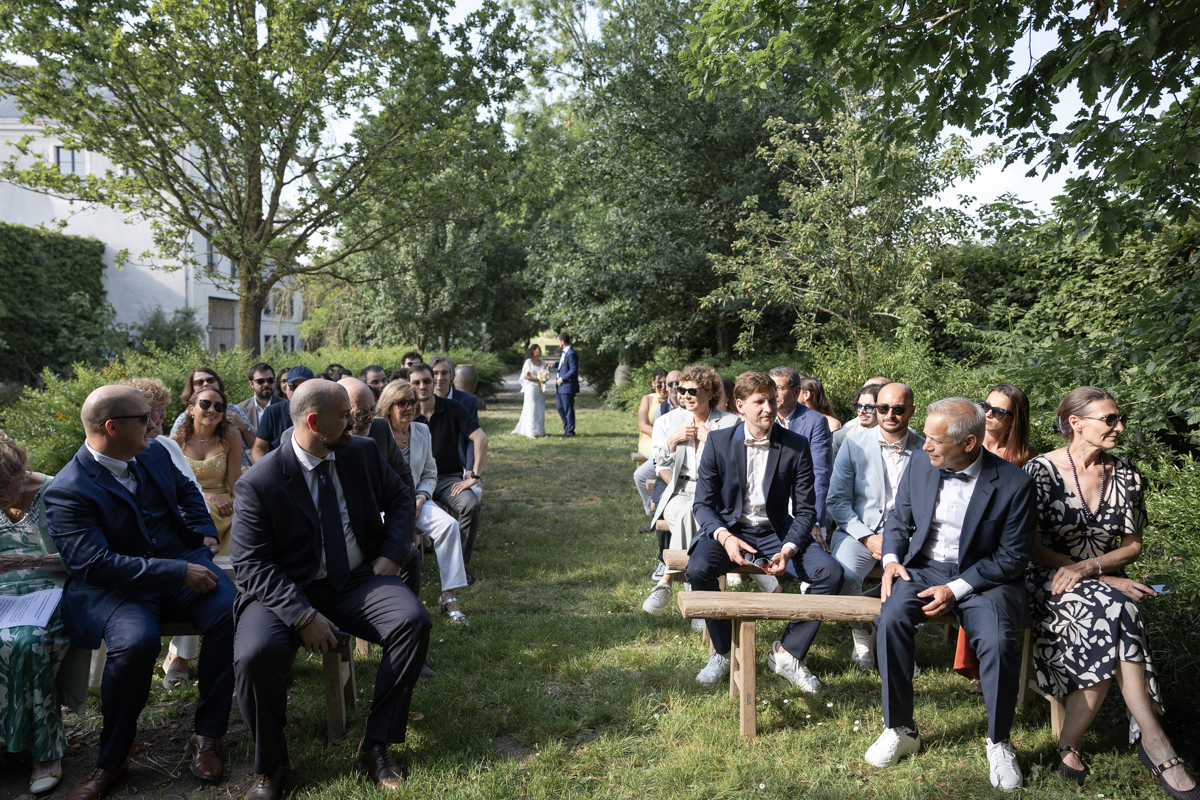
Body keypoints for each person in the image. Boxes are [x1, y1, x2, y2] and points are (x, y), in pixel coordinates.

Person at [231, 380, 428, 799]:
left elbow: (400, 497)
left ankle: (376, 744)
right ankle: (271, 765)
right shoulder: (260, 482)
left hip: (355, 579)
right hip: (284, 589)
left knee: (411, 622)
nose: (354, 424)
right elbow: (251, 565)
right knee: (254, 655)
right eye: (345, 417)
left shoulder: (361, 452)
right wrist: (302, 616)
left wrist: (393, 553)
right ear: (314, 422)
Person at [46, 385, 237, 799]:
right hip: (121, 590)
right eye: (144, 418)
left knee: (229, 610)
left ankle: (207, 736)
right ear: (112, 428)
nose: (155, 423)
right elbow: (93, 565)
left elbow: (187, 491)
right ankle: (111, 760)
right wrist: (176, 571)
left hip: (182, 563)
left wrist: (204, 533)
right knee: (135, 643)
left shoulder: (152, 454)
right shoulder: (67, 489)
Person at [1025, 387, 1196, 797]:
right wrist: (1097, 577)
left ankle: (1073, 743)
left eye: (1120, 419)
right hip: (1046, 578)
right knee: (1118, 609)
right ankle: (1156, 743)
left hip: (1100, 583)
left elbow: (1133, 546)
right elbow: (1029, 546)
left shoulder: (1126, 474)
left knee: (1115, 610)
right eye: (1110, 419)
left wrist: (1092, 569)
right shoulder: (1039, 471)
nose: (1119, 427)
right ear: (1076, 423)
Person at [866, 398, 1034, 792]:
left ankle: (999, 741)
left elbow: (1012, 558)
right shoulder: (920, 462)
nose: (924, 445)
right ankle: (900, 728)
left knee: (998, 641)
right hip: (921, 568)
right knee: (890, 619)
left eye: (935, 440)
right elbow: (899, 518)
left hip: (983, 577)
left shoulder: (1015, 484)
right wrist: (891, 560)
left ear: (969, 443)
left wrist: (955, 589)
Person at [685, 371, 844, 690]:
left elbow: (806, 510)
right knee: (698, 569)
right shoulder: (718, 442)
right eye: (759, 402)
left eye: (772, 400)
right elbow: (702, 505)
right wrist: (725, 537)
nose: (769, 408)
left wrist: (788, 549)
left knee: (831, 573)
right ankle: (722, 652)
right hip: (730, 528)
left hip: (777, 532)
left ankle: (787, 652)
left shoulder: (796, 444)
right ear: (740, 406)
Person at [117, 377, 209, 690]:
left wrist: (200, 532)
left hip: (180, 535)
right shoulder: (113, 453)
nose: (162, 416)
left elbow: (191, 491)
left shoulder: (164, 447)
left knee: (200, 573)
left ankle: (181, 657)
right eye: (156, 410)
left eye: (161, 409)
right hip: (134, 558)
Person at [827, 383, 923, 672]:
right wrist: (867, 537)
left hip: (908, 536)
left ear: (911, 411)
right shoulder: (852, 444)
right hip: (859, 531)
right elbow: (837, 501)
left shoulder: (925, 449)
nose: (889, 414)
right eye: (883, 408)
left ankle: (896, 643)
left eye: (898, 409)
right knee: (842, 576)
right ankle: (864, 632)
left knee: (912, 583)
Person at [0, 432, 73, 796]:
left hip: (51, 590)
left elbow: (83, 558)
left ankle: (46, 751)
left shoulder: (57, 492)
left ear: (21, 472)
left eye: (2, 489)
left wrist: (27, 560)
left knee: (27, 641)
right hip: (3, 597)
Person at [954, 382, 1038, 694]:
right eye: (985, 406)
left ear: (1015, 419)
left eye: (998, 412)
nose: (988, 414)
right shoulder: (965, 445)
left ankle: (984, 667)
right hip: (962, 537)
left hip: (1004, 543)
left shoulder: (1025, 457)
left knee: (982, 581)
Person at [642, 365, 738, 615]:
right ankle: (694, 593)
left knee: (694, 514)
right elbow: (660, 464)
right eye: (681, 390)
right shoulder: (669, 420)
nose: (685, 395)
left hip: (714, 493)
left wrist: (712, 441)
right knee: (687, 511)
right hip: (680, 489)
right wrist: (672, 442)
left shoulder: (730, 422)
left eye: (692, 391)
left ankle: (667, 581)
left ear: (710, 393)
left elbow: (736, 466)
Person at [379, 380, 469, 624]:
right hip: (383, 505)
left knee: (449, 526)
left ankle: (449, 596)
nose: (410, 407)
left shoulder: (421, 431)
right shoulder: (378, 432)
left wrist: (421, 497)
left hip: (417, 499)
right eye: (402, 403)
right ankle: (394, 601)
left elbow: (430, 472)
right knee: (396, 540)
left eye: (413, 402)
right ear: (388, 406)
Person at [409, 363, 489, 569]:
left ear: (433, 382)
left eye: (427, 381)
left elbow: (480, 438)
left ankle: (458, 566)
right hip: (414, 481)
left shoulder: (453, 407)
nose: (422, 386)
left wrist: (474, 475)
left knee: (471, 505)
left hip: (447, 479)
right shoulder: (406, 412)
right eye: (416, 383)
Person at [174, 386, 242, 556]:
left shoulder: (231, 435)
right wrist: (207, 496)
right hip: (190, 500)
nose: (212, 410)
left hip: (224, 503)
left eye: (219, 407)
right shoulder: (176, 441)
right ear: (191, 409)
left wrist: (245, 509)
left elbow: (235, 482)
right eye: (205, 404)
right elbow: (171, 485)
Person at [770, 366, 833, 541]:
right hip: (769, 508)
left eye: (779, 388)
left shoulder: (816, 422)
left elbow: (820, 473)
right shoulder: (764, 418)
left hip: (803, 505)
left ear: (796, 391)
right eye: (771, 388)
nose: (774, 394)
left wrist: (814, 520)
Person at [170, 367, 256, 466]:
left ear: (218, 383)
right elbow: (172, 450)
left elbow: (257, 444)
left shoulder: (234, 410)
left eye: (210, 380)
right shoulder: (184, 418)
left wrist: (244, 425)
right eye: (199, 382)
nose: (206, 384)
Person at [431, 356, 481, 481]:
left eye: (444, 373)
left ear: (452, 376)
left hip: (460, 464)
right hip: (429, 465)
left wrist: (470, 468)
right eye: (435, 373)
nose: (439, 378)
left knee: (474, 489)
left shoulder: (467, 401)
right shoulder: (422, 401)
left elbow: (472, 439)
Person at [251, 366, 315, 461]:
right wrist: (267, 468)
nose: (297, 391)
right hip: (281, 466)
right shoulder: (273, 412)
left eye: (302, 387)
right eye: (292, 387)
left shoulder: (321, 411)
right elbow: (258, 447)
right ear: (286, 386)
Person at [832, 383, 880, 459]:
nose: (862, 411)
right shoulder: (841, 437)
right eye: (859, 406)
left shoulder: (894, 436)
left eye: (869, 407)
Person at [512, 344, 547, 438]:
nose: (540, 351)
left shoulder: (542, 362)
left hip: (540, 389)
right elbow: (526, 376)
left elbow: (544, 373)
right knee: (532, 408)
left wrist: (544, 379)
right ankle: (531, 430)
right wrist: (538, 379)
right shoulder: (529, 362)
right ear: (533, 351)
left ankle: (540, 430)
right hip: (532, 388)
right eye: (538, 349)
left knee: (540, 408)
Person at [549, 332, 579, 437]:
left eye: (558, 341)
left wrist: (562, 379)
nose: (558, 343)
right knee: (560, 408)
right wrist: (555, 364)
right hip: (561, 386)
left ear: (562, 341)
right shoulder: (565, 352)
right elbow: (563, 363)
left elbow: (573, 370)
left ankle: (570, 431)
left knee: (568, 409)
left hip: (567, 386)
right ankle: (567, 428)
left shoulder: (571, 353)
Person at [238, 363, 282, 431]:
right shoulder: (240, 410)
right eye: (260, 381)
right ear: (251, 384)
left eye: (270, 380)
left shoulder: (286, 406)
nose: (266, 384)